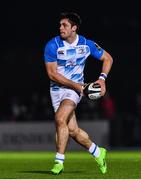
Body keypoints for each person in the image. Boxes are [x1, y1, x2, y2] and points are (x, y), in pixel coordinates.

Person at [44, 12, 113, 175]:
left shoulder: (86, 44)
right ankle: (98, 152)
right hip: (56, 90)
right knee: (73, 131)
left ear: (74, 28)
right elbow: (52, 74)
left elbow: (108, 58)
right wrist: (75, 84)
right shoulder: (53, 45)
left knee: (60, 118)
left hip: (75, 90)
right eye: (60, 25)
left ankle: (59, 162)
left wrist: (102, 79)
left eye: (64, 25)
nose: (60, 28)